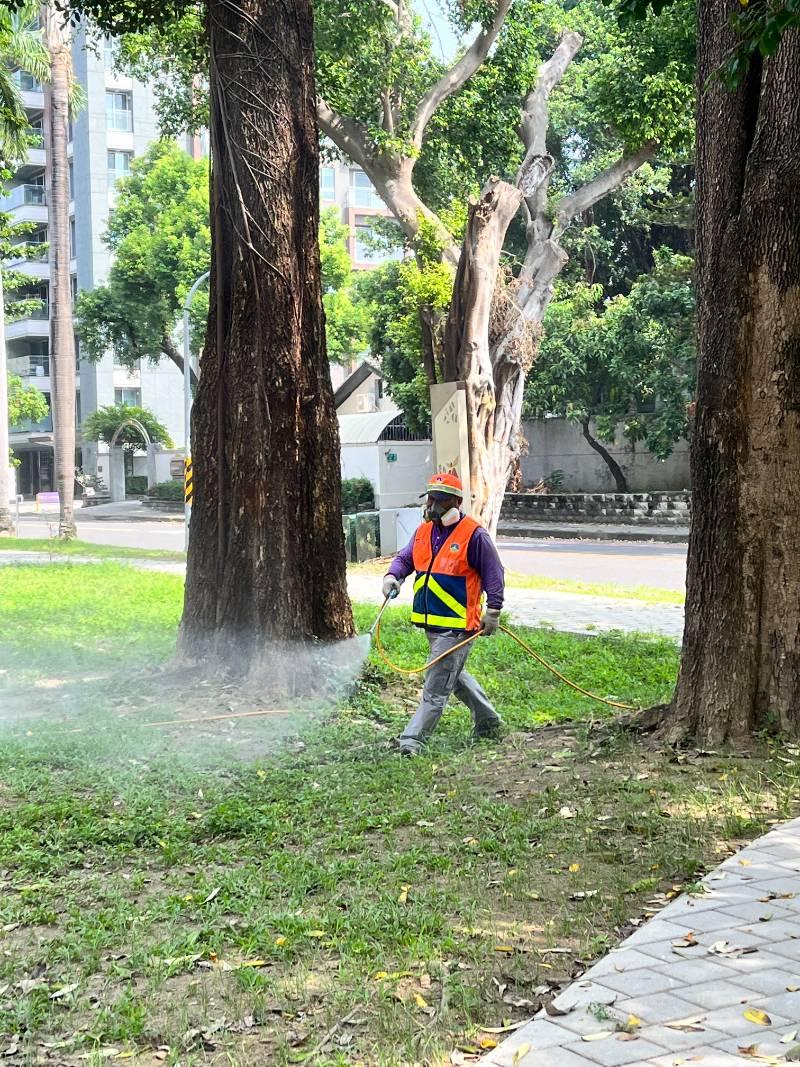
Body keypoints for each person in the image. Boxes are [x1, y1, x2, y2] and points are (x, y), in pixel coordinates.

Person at [382, 472, 505, 756]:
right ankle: (489, 722)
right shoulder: (424, 531)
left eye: (440, 499)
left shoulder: (474, 535)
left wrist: (494, 610)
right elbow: (406, 558)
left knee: (436, 687)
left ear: (456, 502)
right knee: (454, 675)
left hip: (458, 626)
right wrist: (393, 576)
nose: (432, 505)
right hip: (433, 624)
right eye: (430, 498)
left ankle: (411, 742)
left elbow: (494, 574)